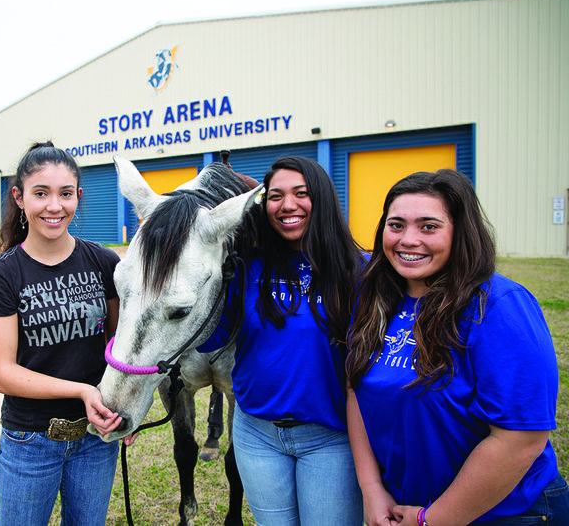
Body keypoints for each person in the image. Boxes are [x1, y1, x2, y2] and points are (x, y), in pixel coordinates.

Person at [346, 169, 569, 526]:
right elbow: (356, 391)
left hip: (506, 514)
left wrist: (432, 520)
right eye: (396, 225)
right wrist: (372, 490)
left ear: (459, 233)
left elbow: (520, 439)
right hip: (404, 507)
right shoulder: (375, 299)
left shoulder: (498, 306)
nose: (408, 239)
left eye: (429, 226)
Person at [0, 142, 133, 526]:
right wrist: (79, 390)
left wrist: (125, 408)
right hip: (30, 440)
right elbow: (0, 374)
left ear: (78, 195)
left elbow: (120, 345)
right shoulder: (2, 275)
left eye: (65, 193)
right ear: (19, 197)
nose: (54, 206)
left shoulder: (105, 262)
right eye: (40, 193)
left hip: (96, 438)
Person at [197, 156, 365, 525]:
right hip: (256, 435)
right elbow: (211, 340)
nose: (287, 205)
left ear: (321, 198)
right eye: (275, 196)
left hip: (331, 438)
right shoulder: (246, 268)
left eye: (301, 193)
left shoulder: (360, 271)